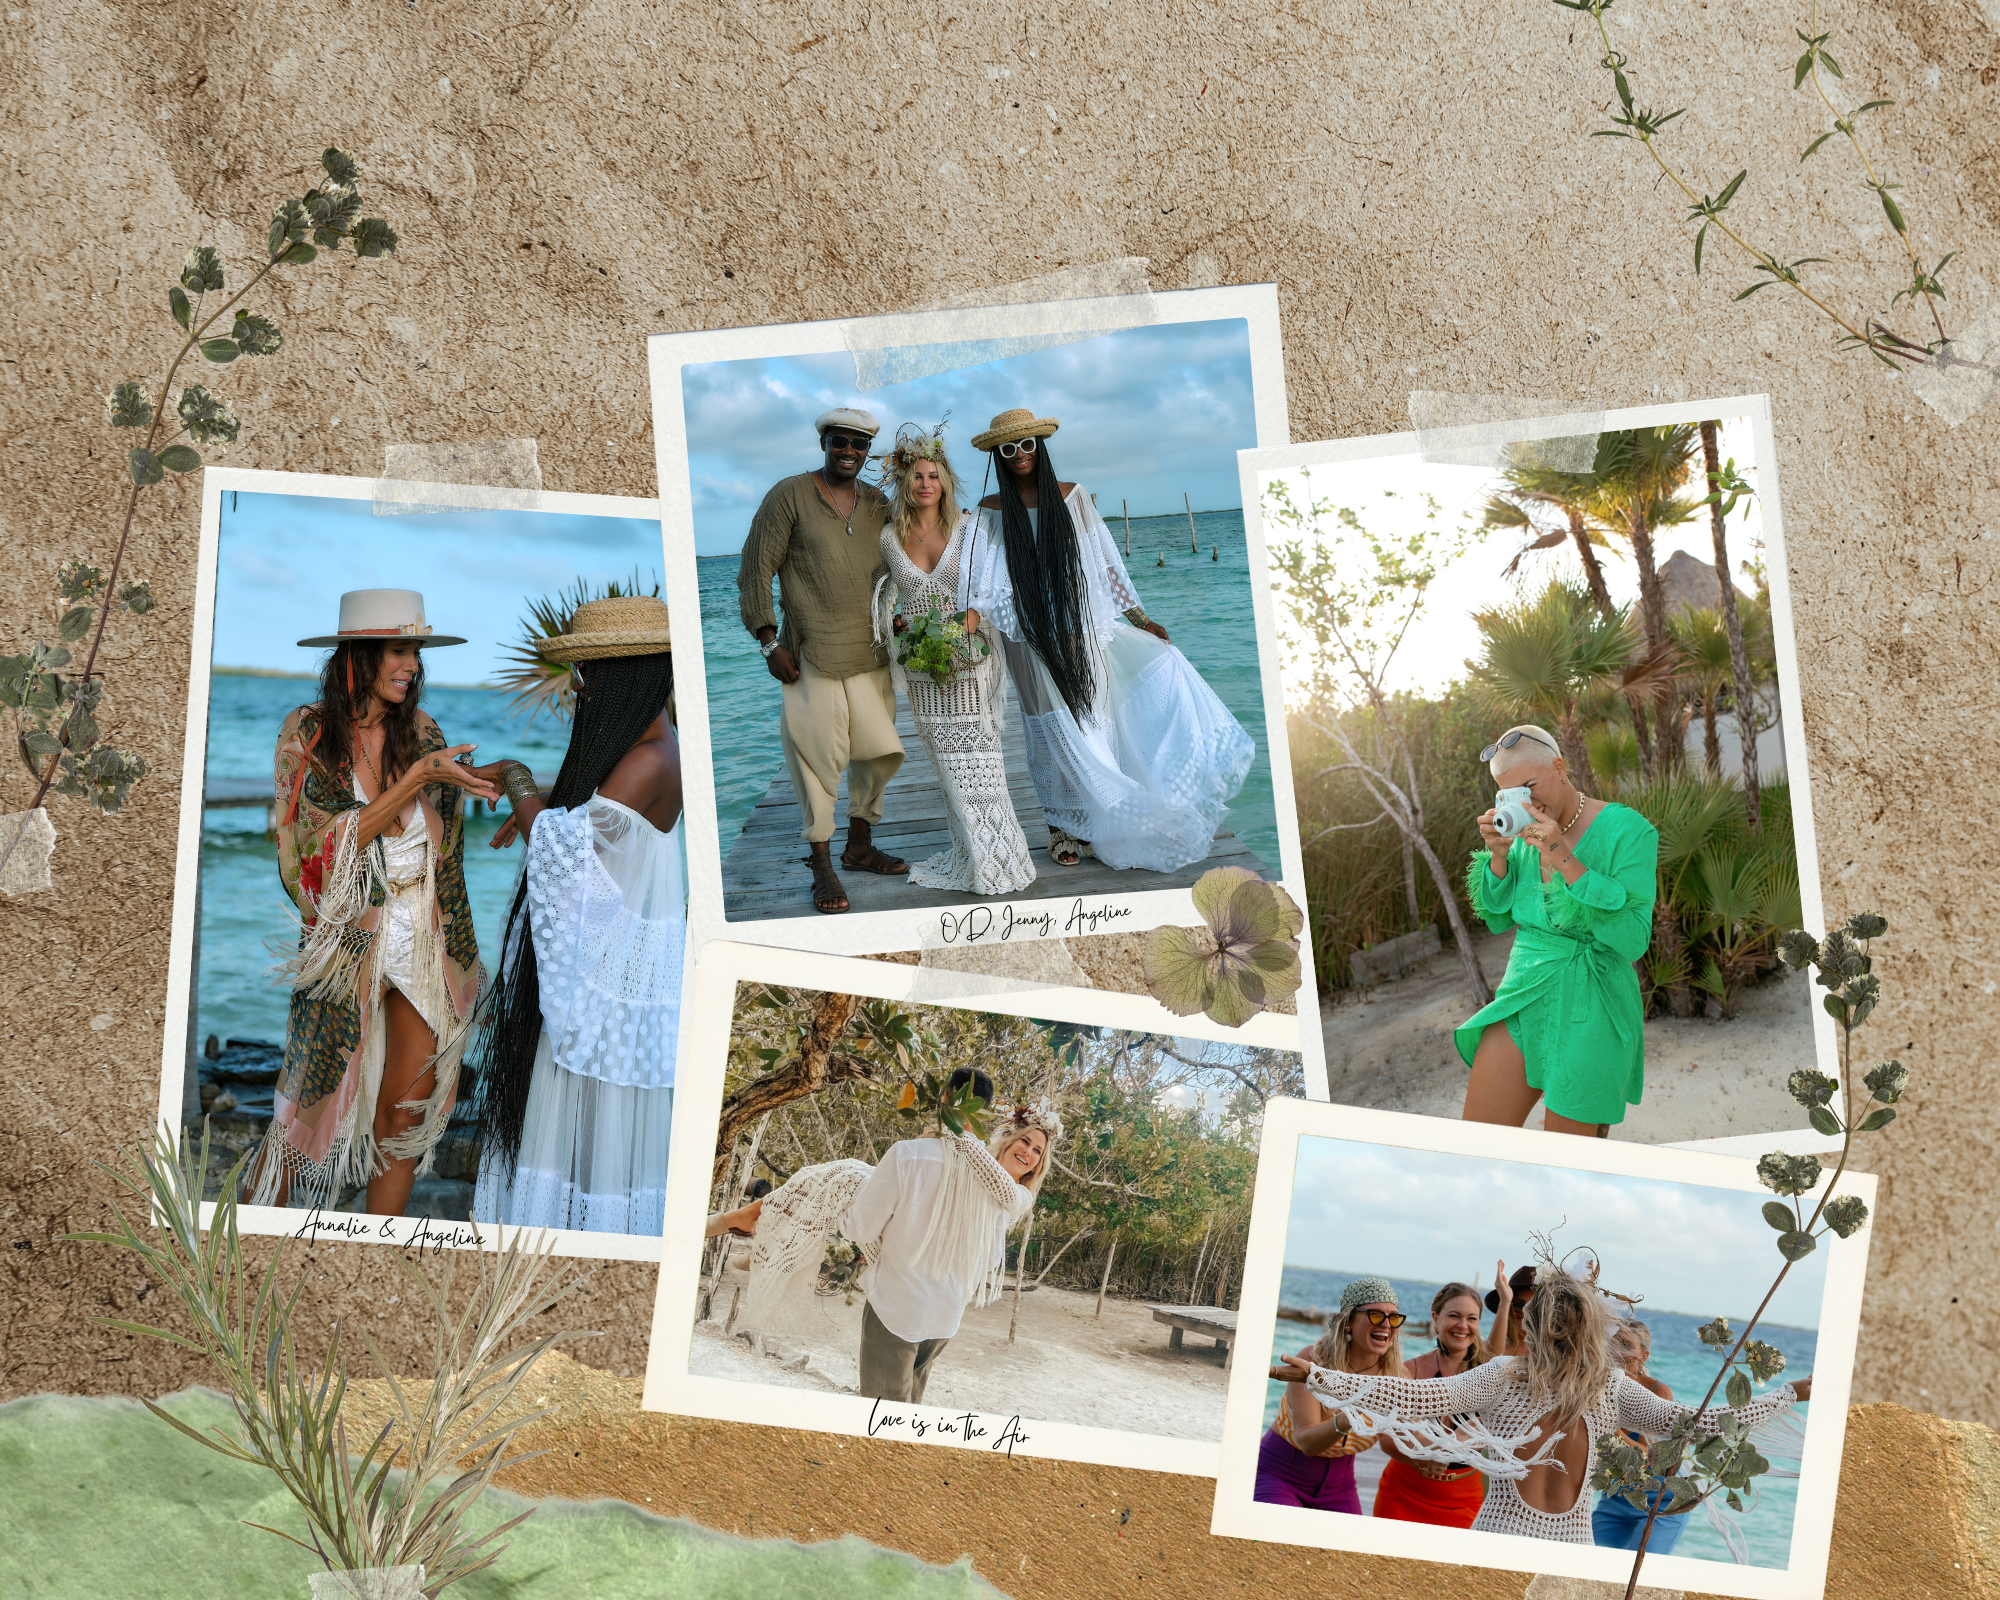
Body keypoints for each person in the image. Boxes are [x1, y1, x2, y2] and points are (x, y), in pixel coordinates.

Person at [252, 589, 507, 1214]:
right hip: (349, 944)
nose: (412, 665)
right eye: (399, 650)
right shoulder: (307, 734)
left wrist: (494, 777)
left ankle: (372, 1248)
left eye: (416, 652)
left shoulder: (421, 733)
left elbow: (442, 833)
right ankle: (252, 1237)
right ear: (360, 655)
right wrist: (419, 780)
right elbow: (313, 845)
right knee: (301, 1115)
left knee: (403, 1120)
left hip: (426, 939)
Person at [1271, 1260, 1812, 1545]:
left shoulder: (1511, 1375)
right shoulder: (1607, 1387)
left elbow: (1413, 1397)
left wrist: (1322, 1376)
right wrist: (1790, 1393)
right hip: (1573, 1544)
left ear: (1533, 1325)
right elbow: (1700, 1424)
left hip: (1499, 1536)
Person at [470, 595, 683, 1237]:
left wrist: (514, 776)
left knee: (578, 1139)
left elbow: (560, 852)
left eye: (590, 672)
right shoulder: (656, 748)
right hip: (614, 976)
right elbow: (585, 840)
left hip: (602, 990)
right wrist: (544, 807)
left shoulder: (648, 760)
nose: (580, 686)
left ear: (624, 677)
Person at [965, 407, 1254, 872]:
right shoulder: (990, 511)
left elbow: (1103, 563)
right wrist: (967, 628)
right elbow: (980, 581)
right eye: (1008, 448)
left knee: (1090, 722)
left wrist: (1140, 618)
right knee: (1049, 730)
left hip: (1079, 628)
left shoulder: (1072, 496)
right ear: (997, 455)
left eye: (1026, 445)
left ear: (1039, 448)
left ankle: (1102, 820)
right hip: (1026, 637)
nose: (1019, 454)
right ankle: (1062, 826)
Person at [707, 1078, 1061, 1405]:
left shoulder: (919, 1157)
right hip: (944, 1318)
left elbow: (858, 1230)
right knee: (909, 1409)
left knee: (882, 1416)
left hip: (898, 1310)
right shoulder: (995, 1189)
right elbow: (986, 1262)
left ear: (942, 1099)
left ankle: (763, 1236)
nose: (1028, 1153)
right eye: (1024, 1142)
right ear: (988, 1118)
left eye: (1036, 1151)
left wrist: (949, 1137)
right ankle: (758, 1231)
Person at [737, 406, 909, 915]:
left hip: (871, 651)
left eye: (859, 444)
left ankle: (859, 846)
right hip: (810, 654)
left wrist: (900, 617)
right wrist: (770, 642)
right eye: (840, 442)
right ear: (824, 443)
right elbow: (754, 570)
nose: (849, 451)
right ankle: (823, 864)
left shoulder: (878, 502)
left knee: (877, 755)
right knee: (815, 761)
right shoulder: (788, 495)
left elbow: (899, 566)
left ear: (868, 450)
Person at [1456, 724, 1660, 1136]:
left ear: (1560, 766)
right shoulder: (1522, 834)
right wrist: (1498, 856)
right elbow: (1498, 916)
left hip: (1594, 1001)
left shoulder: (1630, 830)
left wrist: (1561, 856)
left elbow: (1633, 939)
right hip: (1525, 990)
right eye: (1510, 794)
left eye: (1530, 786)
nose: (1526, 803)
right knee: (1476, 1143)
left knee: (1567, 1165)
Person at [873, 422, 1035, 896]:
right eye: (917, 476)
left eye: (933, 475)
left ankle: (1000, 860)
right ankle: (969, 854)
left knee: (982, 762)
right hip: (922, 667)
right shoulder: (888, 538)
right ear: (906, 482)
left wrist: (965, 625)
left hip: (969, 660)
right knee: (946, 766)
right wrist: (896, 626)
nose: (925, 484)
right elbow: (885, 596)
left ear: (945, 481)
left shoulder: (971, 527)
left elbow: (993, 585)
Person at [1254, 1277, 1402, 1514]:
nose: (1386, 1324)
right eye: (1376, 1314)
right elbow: (1307, 1442)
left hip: (1340, 1485)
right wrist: (1347, 1417)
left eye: (1394, 1317)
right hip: (1280, 1473)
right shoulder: (1314, 1361)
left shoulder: (1394, 1376)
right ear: (1349, 1321)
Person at [1371, 1282, 1489, 1528]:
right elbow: (1386, 1440)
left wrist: (1507, 1301)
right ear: (1435, 1319)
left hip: (1464, 1499)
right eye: (1454, 1316)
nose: (1463, 1325)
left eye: (1472, 1318)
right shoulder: (1409, 1371)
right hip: (1403, 1493)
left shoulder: (1487, 1375)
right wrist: (1421, 1460)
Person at [1591, 1320, 1693, 1554]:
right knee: (1589, 1561)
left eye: (1626, 1345)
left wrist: (1610, 1429)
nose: (1617, 1351)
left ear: (1644, 1356)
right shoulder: (1594, 1387)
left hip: (1661, 1503)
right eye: (1612, 1343)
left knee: (1640, 1570)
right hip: (1616, 1498)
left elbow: (1648, 1458)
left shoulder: (1659, 1391)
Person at [1485, 1260, 1538, 1357]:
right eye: (1519, 1305)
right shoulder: (1487, 1349)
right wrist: (1505, 1300)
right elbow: (1489, 1360)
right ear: (1509, 1308)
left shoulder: (1555, 1352)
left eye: (1533, 1305)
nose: (1526, 1312)